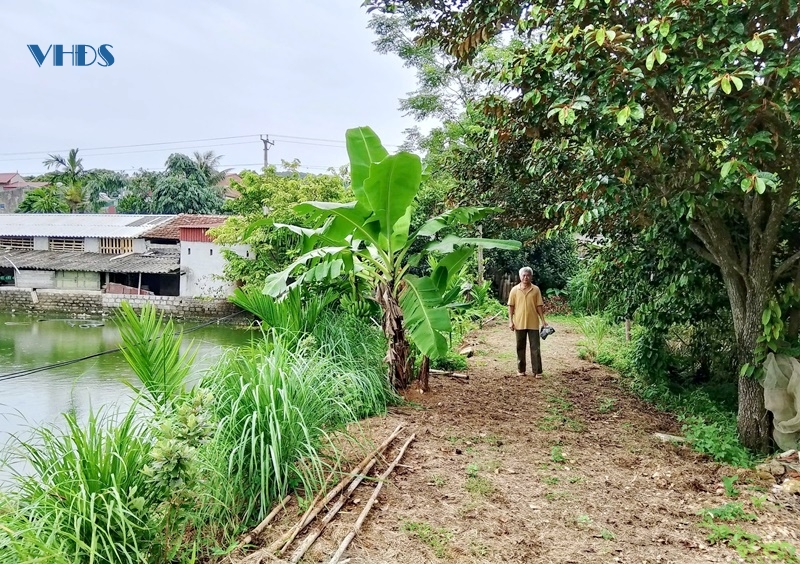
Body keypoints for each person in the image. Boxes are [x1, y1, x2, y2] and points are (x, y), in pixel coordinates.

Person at [508, 266, 548, 378]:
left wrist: (543, 321)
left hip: (533, 323)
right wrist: (510, 321)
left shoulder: (536, 290)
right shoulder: (514, 290)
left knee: (535, 347)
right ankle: (521, 370)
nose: (526, 277)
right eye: (524, 275)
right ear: (520, 277)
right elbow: (511, 306)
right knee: (520, 347)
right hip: (519, 322)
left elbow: (539, 306)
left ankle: (537, 371)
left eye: (528, 275)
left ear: (531, 277)